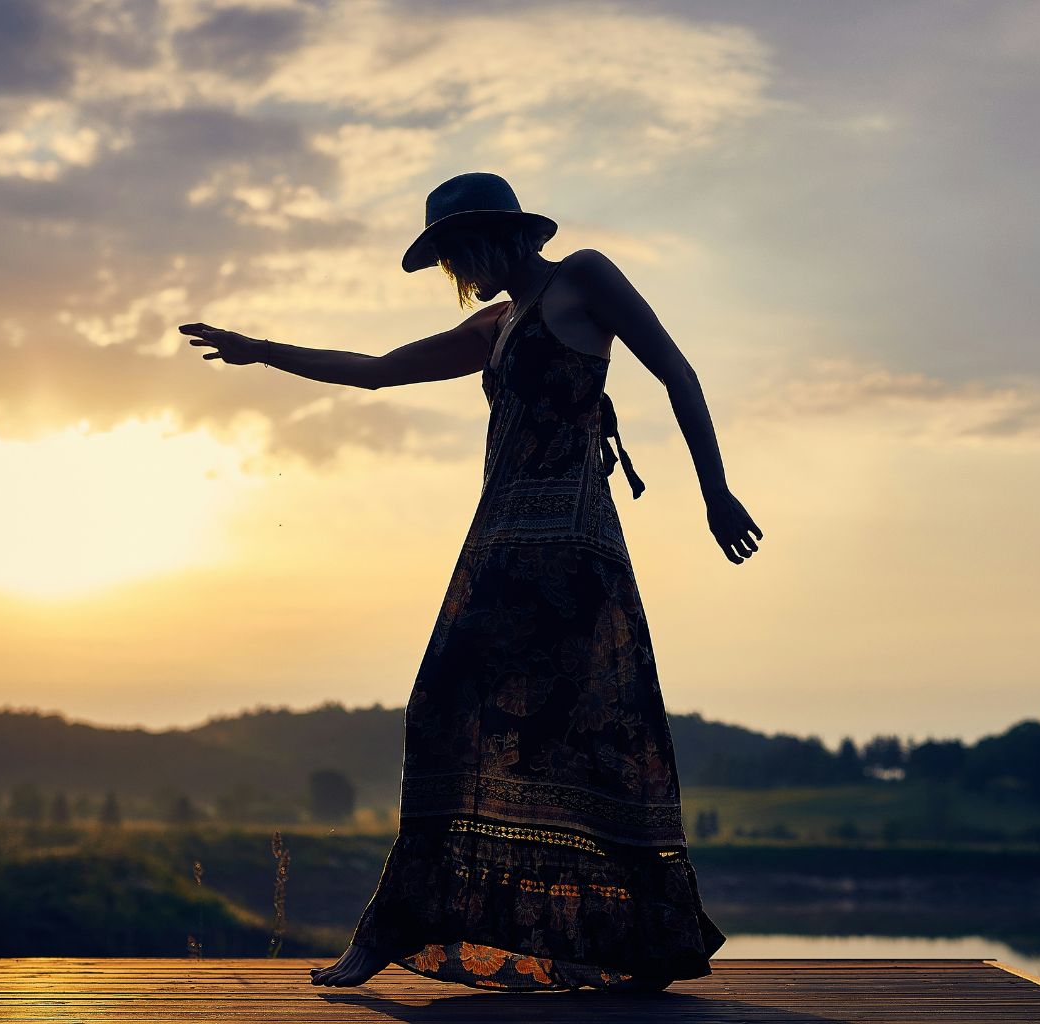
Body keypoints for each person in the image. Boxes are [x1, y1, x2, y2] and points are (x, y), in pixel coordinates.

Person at [181, 172, 761, 991]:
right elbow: (378, 370)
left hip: (572, 547)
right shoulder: (497, 326)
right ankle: (396, 929)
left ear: (502, 235)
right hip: (497, 544)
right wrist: (260, 351)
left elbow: (677, 372)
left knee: (595, 730)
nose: (456, 275)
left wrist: (716, 493)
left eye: (458, 253)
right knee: (449, 713)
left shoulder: (583, 276)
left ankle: (640, 938)